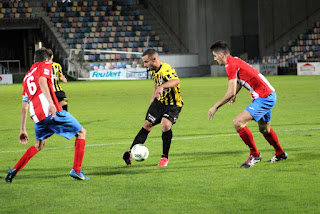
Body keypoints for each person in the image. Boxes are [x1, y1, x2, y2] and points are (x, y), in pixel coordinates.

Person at [5, 48, 89, 182]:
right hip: (51, 112)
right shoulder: (44, 65)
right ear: (46, 59)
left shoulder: (26, 77)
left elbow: (24, 107)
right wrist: (51, 104)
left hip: (37, 118)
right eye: (51, 59)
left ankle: (14, 170)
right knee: (81, 133)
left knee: (39, 145)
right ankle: (77, 170)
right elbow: (42, 81)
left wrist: (22, 129)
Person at [208, 40, 287, 168]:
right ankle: (280, 153)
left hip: (264, 97)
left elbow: (231, 90)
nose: (215, 59)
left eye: (215, 56)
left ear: (221, 54)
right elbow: (239, 82)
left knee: (238, 122)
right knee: (264, 129)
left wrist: (215, 106)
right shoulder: (235, 60)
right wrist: (235, 95)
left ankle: (255, 155)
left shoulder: (230, 65)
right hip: (268, 94)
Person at [122, 48, 183, 167]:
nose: (145, 65)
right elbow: (156, 83)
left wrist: (162, 88)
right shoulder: (153, 70)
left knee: (165, 125)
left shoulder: (166, 69)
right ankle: (130, 152)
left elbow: (176, 81)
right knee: (147, 125)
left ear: (154, 59)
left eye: (146, 62)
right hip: (159, 103)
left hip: (173, 105)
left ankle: (165, 157)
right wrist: (153, 96)